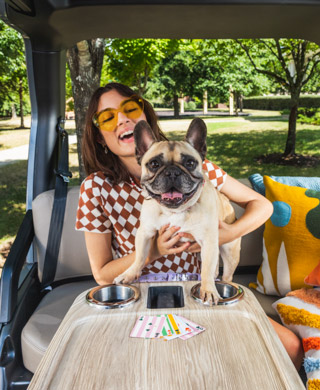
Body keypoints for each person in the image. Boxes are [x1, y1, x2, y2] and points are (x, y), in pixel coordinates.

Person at [75, 82, 303, 370]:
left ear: (145, 114)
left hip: (201, 289)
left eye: (130, 108)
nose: (122, 119)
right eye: (107, 117)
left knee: (292, 347)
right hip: (140, 296)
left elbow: (264, 206)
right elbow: (103, 275)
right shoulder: (96, 188)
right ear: (98, 136)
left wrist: (227, 234)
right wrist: (154, 251)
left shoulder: (194, 164)